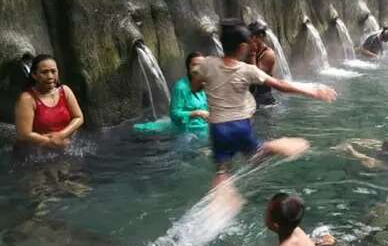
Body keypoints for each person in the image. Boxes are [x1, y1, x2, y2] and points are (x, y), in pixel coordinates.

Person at [195, 20, 337, 186]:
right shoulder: (247, 70)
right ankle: (273, 145)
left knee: (222, 168)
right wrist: (312, 90)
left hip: (217, 128)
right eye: (249, 45)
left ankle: (222, 192)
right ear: (242, 48)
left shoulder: (207, 63)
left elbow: (195, 86)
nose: (252, 47)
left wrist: (208, 83)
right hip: (239, 125)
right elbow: (281, 85)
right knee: (257, 153)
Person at [14, 54, 84, 154]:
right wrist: (51, 142)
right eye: (44, 72)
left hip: (63, 146)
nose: (50, 76)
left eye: (53, 71)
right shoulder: (27, 99)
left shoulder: (65, 91)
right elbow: (24, 134)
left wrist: (61, 135)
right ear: (34, 75)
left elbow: (79, 117)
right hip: (33, 154)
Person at [133, 52, 209, 139]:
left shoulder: (203, 84)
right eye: (194, 64)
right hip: (187, 132)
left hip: (203, 127)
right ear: (188, 68)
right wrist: (196, 113)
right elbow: (174, 114)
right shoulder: (181, 88)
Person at [247, 22, 277, 106]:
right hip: (250, 99)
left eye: (254, 37)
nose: (251, 39)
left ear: (261, 37)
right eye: (250, 36)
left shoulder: (268, 54)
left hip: (264, 101)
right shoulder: (247, 49)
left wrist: (252, 53)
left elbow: (256, 78)